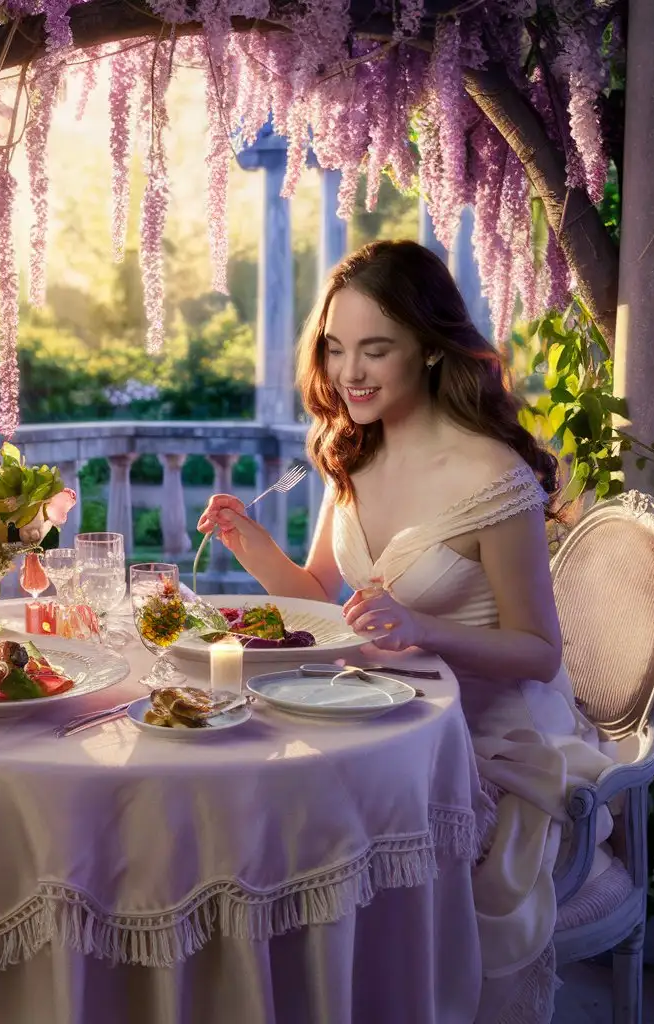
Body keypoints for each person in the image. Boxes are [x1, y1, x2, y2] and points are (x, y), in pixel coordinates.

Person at [198, 240, 620, 1024]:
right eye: (335, 348)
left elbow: (539, 650)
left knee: (336, 822)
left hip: (490, 736)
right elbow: (320, 598)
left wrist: (423, 625)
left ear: (429, 349)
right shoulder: (353, 454)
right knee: (281, 809)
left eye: (375, 349)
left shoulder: (493, 476)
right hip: (382, 709)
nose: (348, 373)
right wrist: (249, 547)